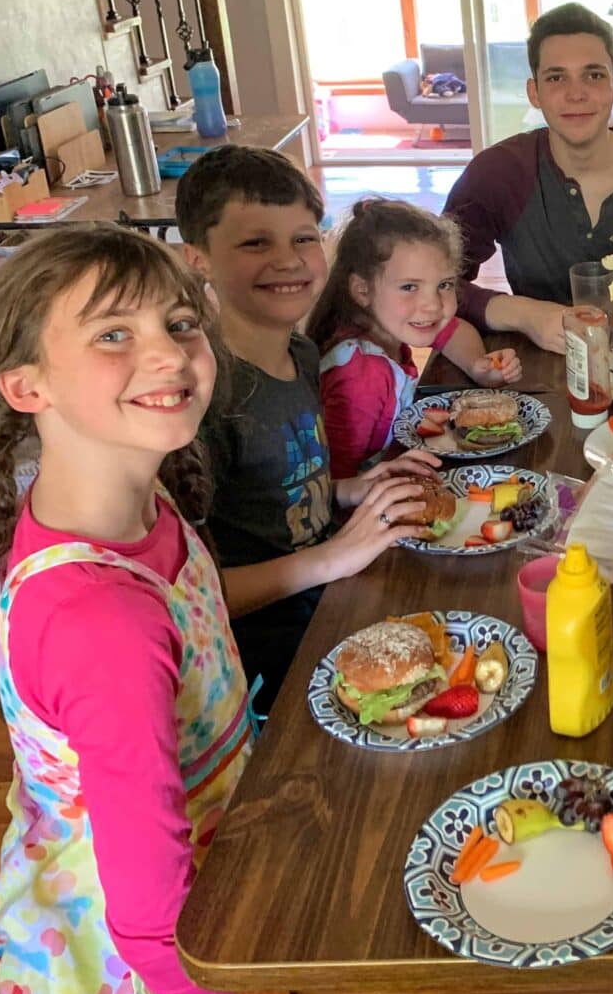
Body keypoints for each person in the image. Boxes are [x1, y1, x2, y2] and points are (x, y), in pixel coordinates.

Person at [0, 224, 247, 994]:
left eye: (181, 323)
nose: (170, 354)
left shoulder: (130, 500)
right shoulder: (101, 622)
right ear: (26, 386)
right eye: (114, 333)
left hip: (214, 846)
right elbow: (153, 924)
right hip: (154, 952)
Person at [176, 145, 433, 711]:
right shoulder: (203, 398)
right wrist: (332, 558)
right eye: (255, 242)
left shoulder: (301, 353)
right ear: (197, 258)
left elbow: (283, 488)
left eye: (303, 238)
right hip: (270, 666)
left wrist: (349, 488)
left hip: (333, 596)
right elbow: (193, 591)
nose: (288, 260)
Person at [446, 2, 613, 352]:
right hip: (535, 369)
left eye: (594, 75)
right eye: (556, 77)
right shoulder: (496, 175)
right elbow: (433, 286)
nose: (576, 93)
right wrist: (524, 313)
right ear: (533, 92)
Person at [308, 198, 523, 479]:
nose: (433, 305)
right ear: (362, 291)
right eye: (409, 287)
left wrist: (477, 366)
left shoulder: (386, 323)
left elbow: (453, 329)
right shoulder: (361, 378)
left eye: (444, 285)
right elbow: (334, 486)